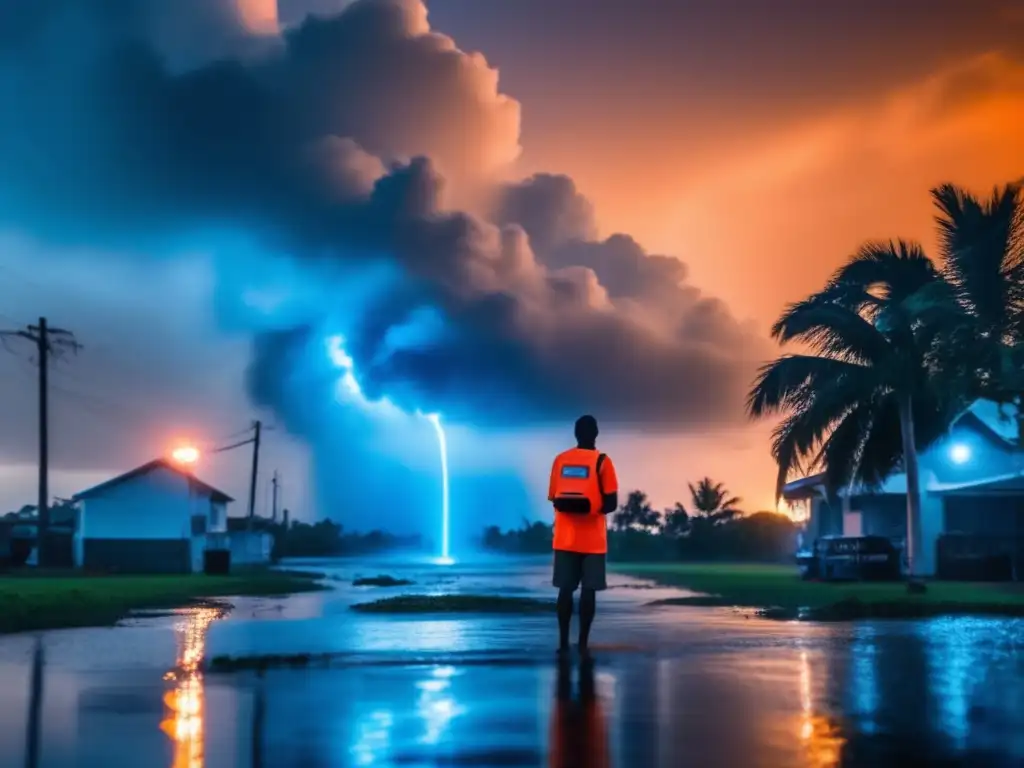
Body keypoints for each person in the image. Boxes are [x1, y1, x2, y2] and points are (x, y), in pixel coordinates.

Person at [547, 414, 618, 655]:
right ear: (596, 434)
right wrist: (591, 507)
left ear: (575, 434)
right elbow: (611, 503)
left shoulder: (561, 460)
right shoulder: (603, 462)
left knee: (564, 590)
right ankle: (583, 643)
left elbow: (554, 498)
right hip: (593, 542)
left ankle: (563, 642)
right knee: (589, 591)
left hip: (565, 538)